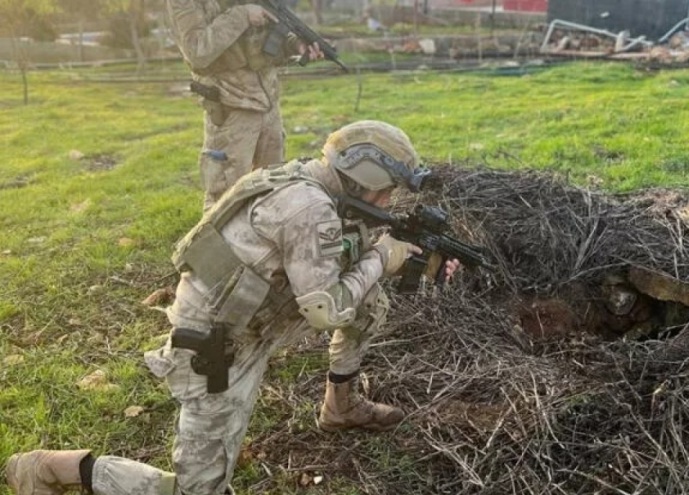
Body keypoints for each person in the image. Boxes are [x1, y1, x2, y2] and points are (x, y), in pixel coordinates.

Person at [4, 120, 461, 495]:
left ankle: (340, 407)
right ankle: (49, 469)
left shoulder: (313, 184)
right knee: (196, 490)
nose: (388, 202)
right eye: (387, 191)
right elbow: (325, 310)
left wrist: (417, 260)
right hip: (216, 345)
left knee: (369, 303)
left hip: (258, 315)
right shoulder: (307, 208)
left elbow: (335, 260)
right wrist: (384, 256)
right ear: (363, 178)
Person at [167, 0, 324, 210]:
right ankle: (215, 243)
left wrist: (294, 45)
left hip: (268, 106)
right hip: (231, 109)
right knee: (225, 197)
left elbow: (262, 41)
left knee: (272, 187)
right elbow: (197, 51)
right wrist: (242, 15)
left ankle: (266, 239)